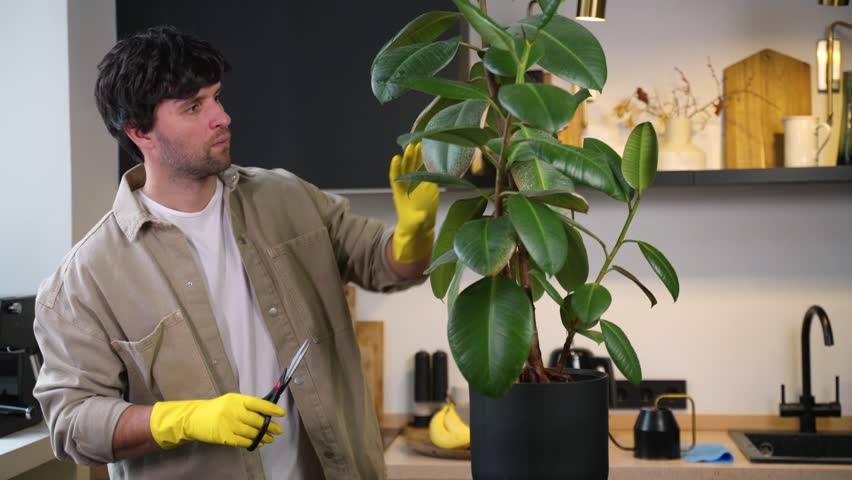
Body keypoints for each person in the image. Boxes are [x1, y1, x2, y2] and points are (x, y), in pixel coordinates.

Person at [32, 25, 439, 479]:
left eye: (216, 97)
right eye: (193, 106)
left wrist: (414, 234)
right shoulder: (85, 278)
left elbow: (383, 264)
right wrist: (184, 420)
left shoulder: (287, 196)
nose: (221, 118)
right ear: (138, 131)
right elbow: (71, 424)